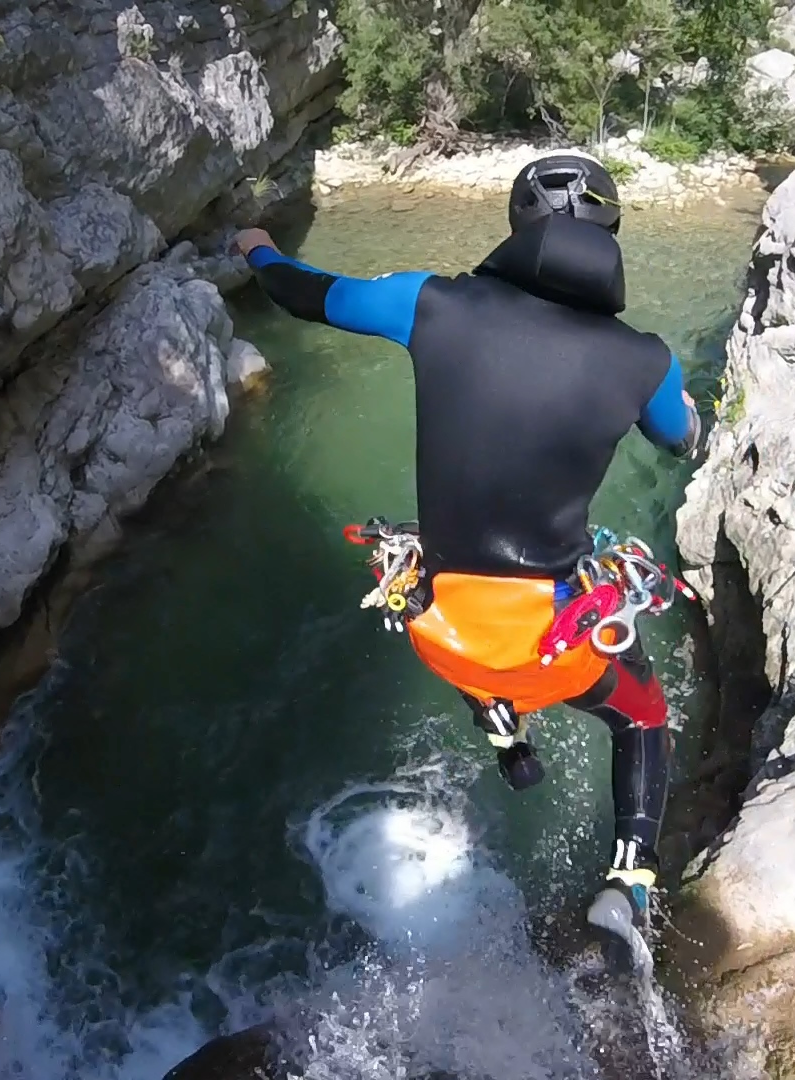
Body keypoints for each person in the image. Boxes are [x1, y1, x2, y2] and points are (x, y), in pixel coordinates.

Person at [233, 155, 701, 929]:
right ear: (610, 232)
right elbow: (682, 436)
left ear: (518, 226)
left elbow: (301, 292)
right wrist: (681, 408)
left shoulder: (430, 303)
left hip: (440, 630)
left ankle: (511, 747)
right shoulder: (644, 357)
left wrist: (256, 245)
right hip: (556, 647)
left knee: (444, 578)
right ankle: (630, 882)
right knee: (643, 718)